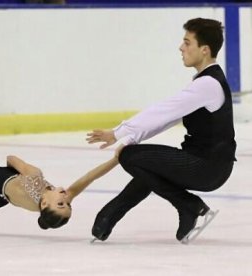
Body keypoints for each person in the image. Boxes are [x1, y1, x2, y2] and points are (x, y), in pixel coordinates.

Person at [86, 18, 236, 244]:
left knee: (132, 158)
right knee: (147, 163)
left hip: (207, 167)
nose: (181, 47)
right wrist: (130, 137)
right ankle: (107, 218)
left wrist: (117, 133)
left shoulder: (208, 84)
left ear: (204, 50)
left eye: (187, 42)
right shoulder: (207, 82)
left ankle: (189, 205)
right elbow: (167, 119)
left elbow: (162, 112)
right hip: (208, 165)